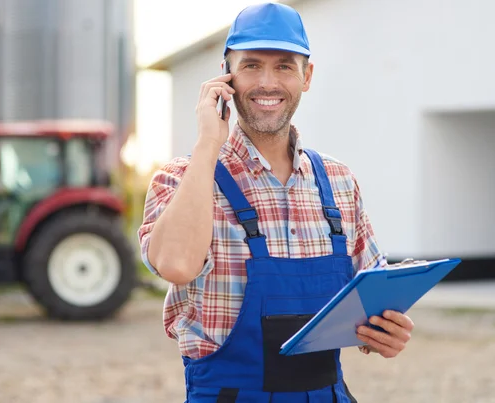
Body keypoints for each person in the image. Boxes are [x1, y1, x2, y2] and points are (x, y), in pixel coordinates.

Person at [138, 3, 414, 402]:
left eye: (284, 66)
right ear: (225, 76)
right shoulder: (183, 178)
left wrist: (386, 330)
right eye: (251, 66)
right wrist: (207, 145)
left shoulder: (338, 182)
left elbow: (372, 298)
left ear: (307, 76)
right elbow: (177, 265)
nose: (267, 83)